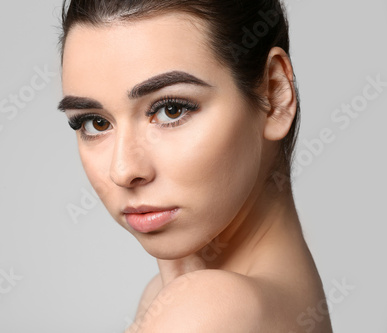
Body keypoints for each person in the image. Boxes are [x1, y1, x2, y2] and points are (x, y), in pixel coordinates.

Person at [57, 0, 333, 331]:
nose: (123, 170)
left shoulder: (208, 309)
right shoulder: (262, 299)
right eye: (94, 123)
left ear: (274, 96)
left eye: (171, 110)